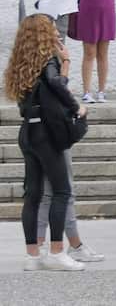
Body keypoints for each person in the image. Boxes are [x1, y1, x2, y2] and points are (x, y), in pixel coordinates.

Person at [5, 14, 84, 270]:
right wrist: (76, 106)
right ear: (43, 34)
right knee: (61, 190)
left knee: (33, 194)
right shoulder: (48, 60)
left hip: (27, 131)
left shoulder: (20, 64)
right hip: (45, 135)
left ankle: (32, 256)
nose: (55, 32)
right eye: (51, 28)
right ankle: (57, 252)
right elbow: (56, 84)